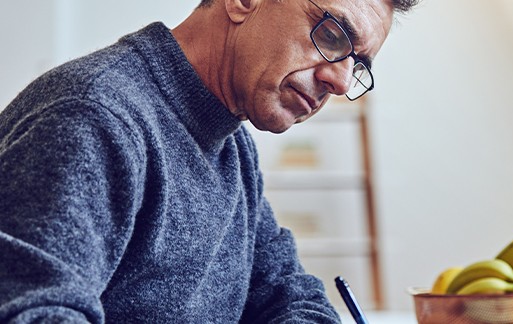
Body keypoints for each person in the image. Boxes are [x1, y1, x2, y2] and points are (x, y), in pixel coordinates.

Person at [0, 0, 418, 322]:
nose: (342, 82)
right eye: (332, 35)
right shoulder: (94, 117)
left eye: (358, 65)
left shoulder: (231, 146)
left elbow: (292, 296)